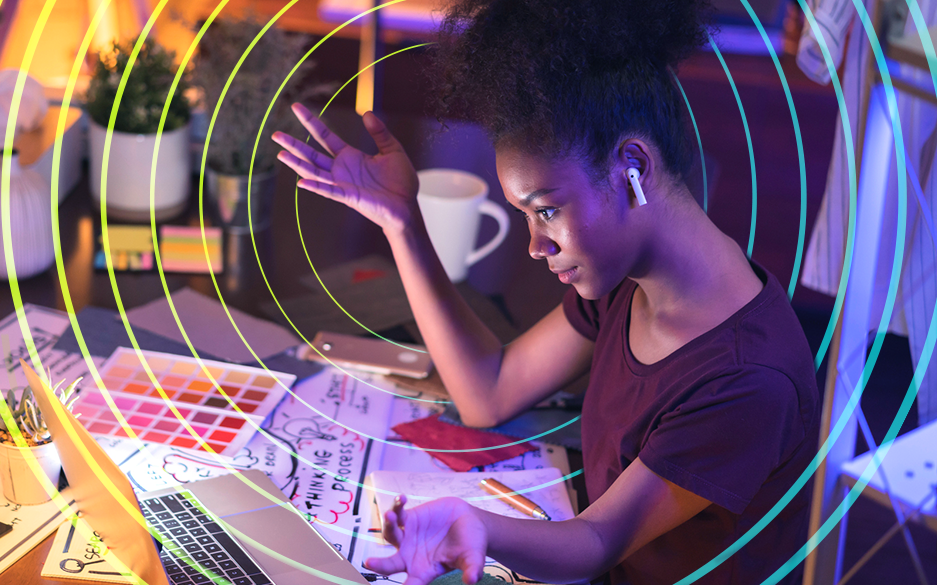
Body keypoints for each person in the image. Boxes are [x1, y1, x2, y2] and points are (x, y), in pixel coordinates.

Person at [270, 0, 820, 583]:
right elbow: (489, 391)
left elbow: (597, 539)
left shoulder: (746, 379)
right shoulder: (625, 285)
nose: (536, 245)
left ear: (632, 165)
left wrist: (478, 525)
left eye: (547, 210)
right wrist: (402, 222)